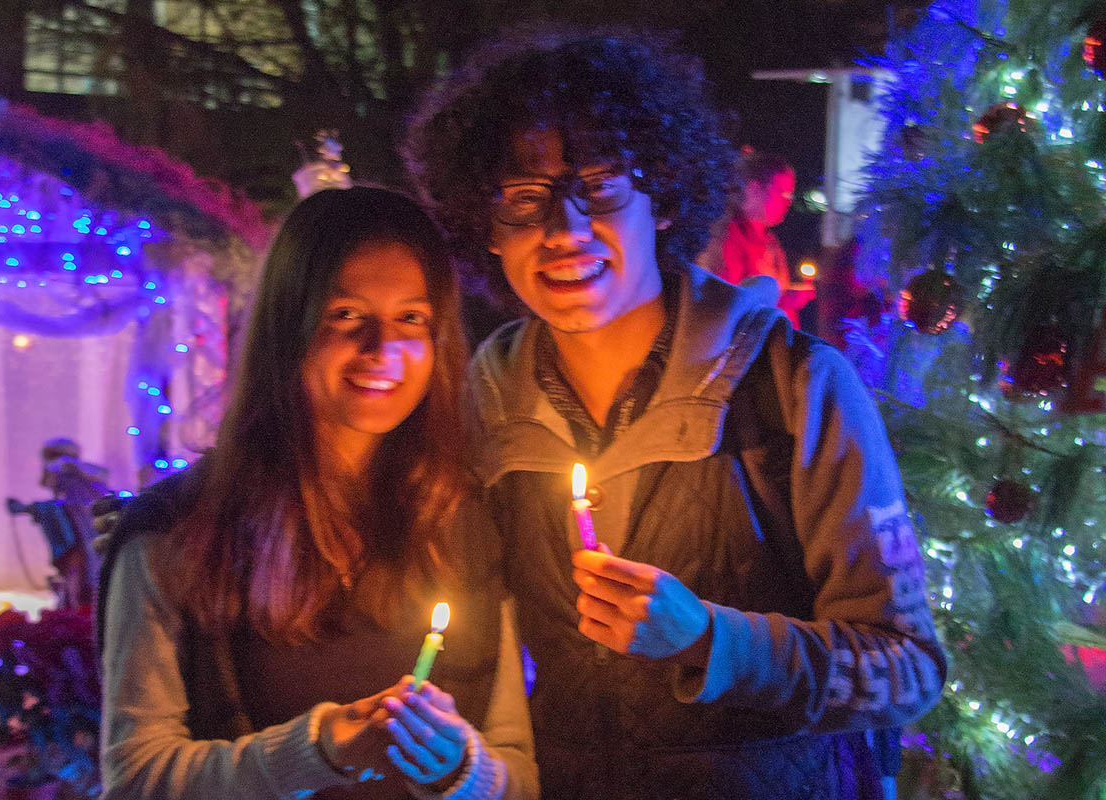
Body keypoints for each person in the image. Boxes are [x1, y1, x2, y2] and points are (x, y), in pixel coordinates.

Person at [404, 30, 945, 799]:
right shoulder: (485, 399)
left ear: (661, 194)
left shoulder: (794, 387)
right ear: (483, 229)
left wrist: (711, 640)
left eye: (598, 185)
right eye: (523, 200)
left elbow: (908, 671)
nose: (563, 230)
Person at [97, 187, 538, 800]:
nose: (383, 349)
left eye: (412, 318)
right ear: (289, 326)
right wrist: (315, 752)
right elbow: (136, 778)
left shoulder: (467, 521)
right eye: (347, 315)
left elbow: (517, 769)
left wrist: (463, 772)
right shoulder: (178, 531)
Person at [696, 148, 814, 327]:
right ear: (754, 189)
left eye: (791, 195)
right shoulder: (724, 236)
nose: (788, 202)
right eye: (783, 193)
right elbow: (727, 300)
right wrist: (783, 301)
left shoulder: (769, 241)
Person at [6, 438, 109, 609]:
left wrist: (26, 508)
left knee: (78, 571)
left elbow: (70, 507)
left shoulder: (72, 475)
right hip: (77, 542)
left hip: (82, 543)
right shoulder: (70, 483)